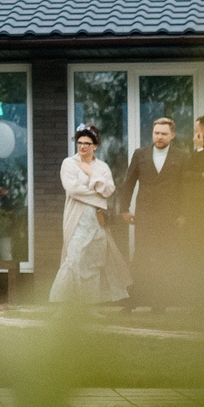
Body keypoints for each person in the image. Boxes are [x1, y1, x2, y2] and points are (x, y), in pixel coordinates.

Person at [116, 115, 193, 309]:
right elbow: (129, 182)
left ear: (172, 135)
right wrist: (124, 209)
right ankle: (132, 301)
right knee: (140, 256)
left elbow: (186, 187)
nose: (159, 137)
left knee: (165, 258)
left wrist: (183, 214)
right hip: (145, 215)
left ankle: (159, 303)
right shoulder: (140, 154)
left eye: (164, 134)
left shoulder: (182, 156)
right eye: (156, 133)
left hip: (169, 216)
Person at [51, 124, 130, 305]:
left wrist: (91, 174)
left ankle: (90, 306)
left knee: (93, 264)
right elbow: (73, 189)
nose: (82, 147)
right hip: (77, 220)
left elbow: (109, 190)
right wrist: (97, 191)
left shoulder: (101, 167)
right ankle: (60, 304)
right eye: (79, 143)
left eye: (87, 143)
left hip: (97, 221)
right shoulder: (69, 163)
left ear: (95, 145)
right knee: (73, 260)